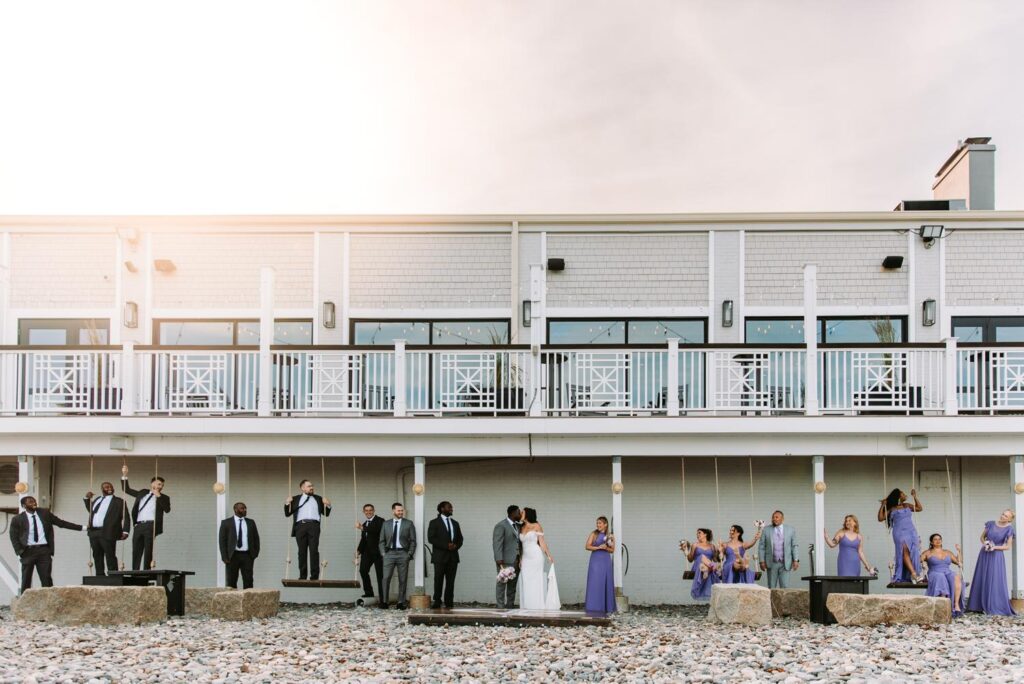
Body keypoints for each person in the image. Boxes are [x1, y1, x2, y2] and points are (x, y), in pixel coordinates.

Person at [9, 496, 83, 593]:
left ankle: (49, 601)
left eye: (34, 501)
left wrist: (82, 528)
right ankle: (24, 602)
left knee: (46, 578)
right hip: (27, 551)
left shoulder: (44, 513)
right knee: (26, 578)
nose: (34, 503)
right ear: (24, 505)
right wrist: (20, 552)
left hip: (44, 551)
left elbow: (61, 523)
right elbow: (13, 536)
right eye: (30, 502)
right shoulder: (17, 519)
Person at [967, 509, 1016, 615]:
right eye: (1003, 514)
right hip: (984, 553)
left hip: (996, 555)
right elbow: (982, 537)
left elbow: (1007, 546)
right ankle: (977, 606)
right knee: (981, 576)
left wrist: (995, 547)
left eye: (1006, 516)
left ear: (1010, 519)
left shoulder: (1009, 529)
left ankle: (995, 605)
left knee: (994, 578)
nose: (1003, 516)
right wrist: (986, 543)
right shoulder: (990, 524)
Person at [122, 468, 172, 570]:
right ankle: (135, 572)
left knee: (148, 550)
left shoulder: (164, 497)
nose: (159, 486)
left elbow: (167, 510)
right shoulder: (142, 492)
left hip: (151, 525)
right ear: (152, 484)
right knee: (136, 549)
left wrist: (158, 496)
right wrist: (124, 475)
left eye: (161, 485)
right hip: (138, 525)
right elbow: (126, 489)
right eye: (157, 484)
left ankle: (146, 572)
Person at [284, 479, 331, 581]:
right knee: (301, 551)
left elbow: (326, 514)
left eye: (312, 486)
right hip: (300, 526)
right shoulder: (296, 499)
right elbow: (287, 514)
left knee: (314, 551)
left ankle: (314, 576)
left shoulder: (319, 498)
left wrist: (328, 505)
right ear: (303, 488)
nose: (312, 487)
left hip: (314, 526)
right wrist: (287, 503)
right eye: (309, 486)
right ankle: (303, 575)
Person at [83, 481, 130, 576]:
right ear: (102, 489)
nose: (109, 488)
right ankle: (100, 575)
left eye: (111, 486)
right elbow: (91, 511)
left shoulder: (119, 501)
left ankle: (113, 576)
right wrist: (87, 498)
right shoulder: (97, 499)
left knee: (110, 554)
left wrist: (125, 531)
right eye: (106, 487)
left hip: (108, 531)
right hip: (94, 532)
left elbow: (126, 516)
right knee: (97, 555)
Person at [878, 488, 924, 583]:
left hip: (911, 531)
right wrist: (883, 505)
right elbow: (880, 518)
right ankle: (914, 574)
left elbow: (919, 508)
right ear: (899, 496)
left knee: (914, 551)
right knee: (904, 551)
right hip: (899, 532)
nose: (905, 495)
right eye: (903, 493)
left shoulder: (906, 505)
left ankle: (914, 574)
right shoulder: (892, 509)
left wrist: (915, 497)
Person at [518, 507, 558, 609]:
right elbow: (520, 546)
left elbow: (542, 543)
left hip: (536, 556)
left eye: (522, 512)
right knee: (526, 580)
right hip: (526, 558)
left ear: (527, 515)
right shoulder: (520, 527)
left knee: (536, 581)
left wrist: (549, 555)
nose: (520, 513)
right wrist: (520, 558)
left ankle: (536, 605)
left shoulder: (536, 525)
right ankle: (527, 605)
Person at [427, 500, 464, 609]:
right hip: (439, 557)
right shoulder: (434, 522)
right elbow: (431, 538)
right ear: (442, 509)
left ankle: (449, 602)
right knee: (438, 579)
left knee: (450, 581)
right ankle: (437, 601)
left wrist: (455, 546)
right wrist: (446, 546)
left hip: (453, 557)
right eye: (449, 507)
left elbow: (460, 539)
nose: (451, 509)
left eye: (451, 507)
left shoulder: (455, 523)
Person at [379, 502, 415, 609]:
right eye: (399, 510)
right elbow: (381, 541)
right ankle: (385, 602)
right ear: (393, 511)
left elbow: (413, 540)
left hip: (403, 553)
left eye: (402, 510)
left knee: (402, 579)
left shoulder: (408, 523)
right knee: (386, 578)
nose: (401, 512)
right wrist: (383, 554)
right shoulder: (386, 524)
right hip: (389, 553)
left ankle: (401, 602)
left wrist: (409, 554)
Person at [219, 502, 261, 589]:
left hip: (247, 555)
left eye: (245, 508)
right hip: (232, 556)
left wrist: (254, 554)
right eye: (242, 508)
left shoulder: (251, 522)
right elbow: (222, 541)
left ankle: (248, 601)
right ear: (235, 509)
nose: (245, 510)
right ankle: (232, 601)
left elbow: (256, 539)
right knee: (231, 580)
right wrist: (224, 557)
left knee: (248, 580)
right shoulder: (226, 523)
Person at [922, 533, 964, 617]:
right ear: (931, 542)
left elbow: (958, 561)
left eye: (939, 539)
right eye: (935, 539)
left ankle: (956, 605)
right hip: (934, 572)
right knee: (940, 577)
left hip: (947, 571)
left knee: (956, 577)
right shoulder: (927, 552)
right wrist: (923, 563)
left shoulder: (947, 552)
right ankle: (943, 605)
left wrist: (959, 551)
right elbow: (918, 560)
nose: (938, 541)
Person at [759, 510, 799, 588]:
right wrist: (761, 561)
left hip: (785, 563)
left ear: (782, 519)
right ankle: (771, 600)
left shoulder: (790, 530)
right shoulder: (766, 530)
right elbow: (761, 546)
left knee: (784, 586)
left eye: (776, 517)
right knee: (771, 586)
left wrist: (796, 560)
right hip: (771, 562)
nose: (774, 519)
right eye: (773, 517)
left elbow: (794, 546)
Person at [584, 516, 615, 613]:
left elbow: (612, 550)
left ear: (605, 524)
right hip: (595, 560)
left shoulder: (610, 536)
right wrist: (598, 548)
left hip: (605, 561)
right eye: (597, 523)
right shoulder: (594, 534)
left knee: (604, 581)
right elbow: (587, 546)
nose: (598, 525)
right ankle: (593, 606)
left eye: (600, 523)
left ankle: (606, 607)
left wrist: (605, 547)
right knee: (594, 581)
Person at [493, 504, 521, 609]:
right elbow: (497, 543)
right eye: (519, 512)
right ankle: (500, 606)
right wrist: (498, 558)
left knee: (512, 585)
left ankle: (510, 605)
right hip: (504, 560)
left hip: (517, 560)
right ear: (512, 513)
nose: (520, 514)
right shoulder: (501, 525)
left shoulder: (518, 526)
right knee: (501, 583)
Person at [355, 503, 385, 602]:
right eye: (366, 510)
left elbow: (376, 530)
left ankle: (383, 597)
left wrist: (363, 528)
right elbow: (364, 539)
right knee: (363, 570)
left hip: (378, 552)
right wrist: (358, 550)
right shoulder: (364, 524)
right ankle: (369, 592)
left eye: (370, 510)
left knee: (380, 575)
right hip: (367, 553)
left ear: (374, 511)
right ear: (363, 512)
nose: (368, 512)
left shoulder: (380, 521)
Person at [681, 528, 719, 601]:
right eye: (697, 533)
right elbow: (690, 559)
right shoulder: (695, 545)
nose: (697, 534)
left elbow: (715, 559)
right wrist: (685, 551)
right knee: (701, 556)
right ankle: (713, 568)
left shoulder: (712, 546)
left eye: (699, 533)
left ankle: (706, 569)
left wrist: (719, 552)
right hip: (698, 567)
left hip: (707, 568)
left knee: (706, 564)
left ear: (705, 534)